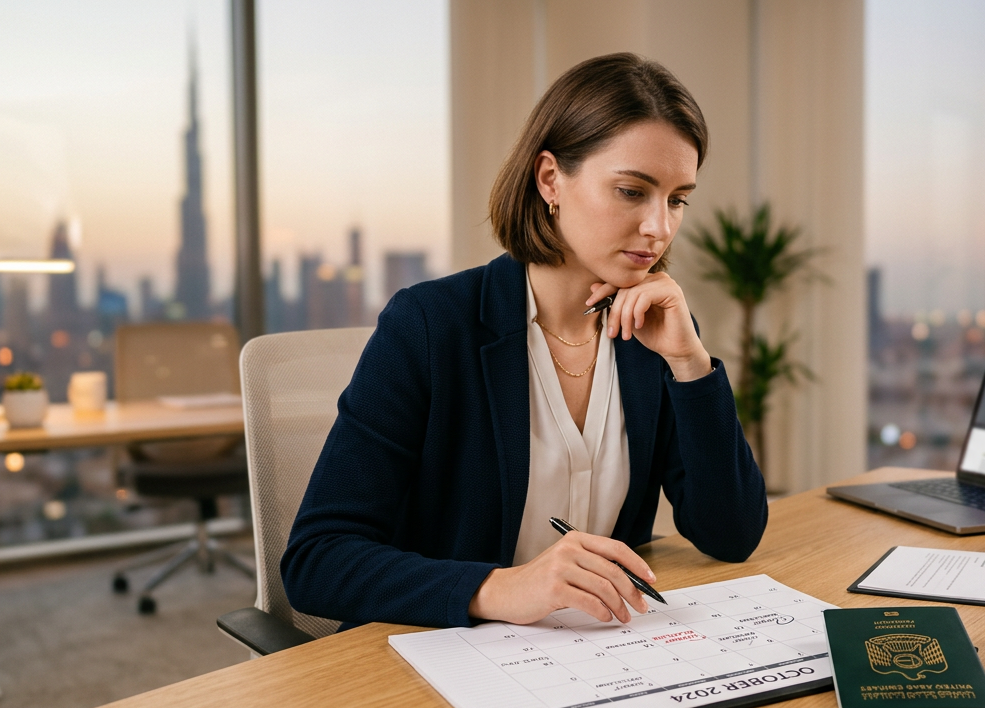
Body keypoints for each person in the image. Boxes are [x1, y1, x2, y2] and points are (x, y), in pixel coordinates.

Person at [280, 53, 767, 630]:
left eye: (677, 199)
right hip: (443, 662)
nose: (659, 227)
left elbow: (730, 534)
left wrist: (690, 365)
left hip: (594, 659)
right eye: (633, 191)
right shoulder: (432, 325)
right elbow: (317, 560)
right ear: (550, 180)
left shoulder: (651, 333)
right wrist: (501, 588)